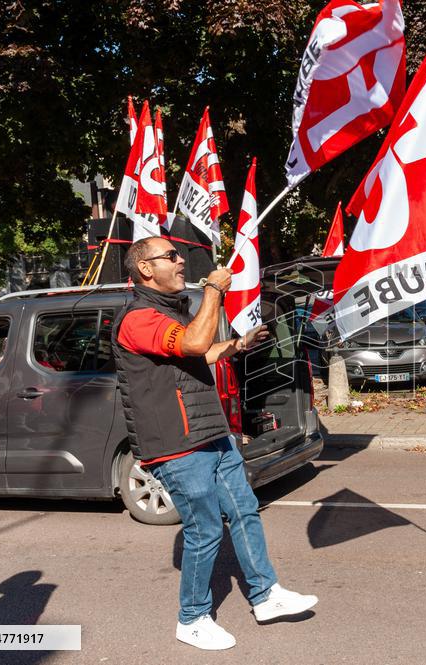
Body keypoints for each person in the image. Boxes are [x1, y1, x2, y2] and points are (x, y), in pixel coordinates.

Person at [112, 237, 317, 651]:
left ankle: (265, 595)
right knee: (204, 529)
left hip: (211, 432)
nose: (181, 261)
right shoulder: (137, 317)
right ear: (146, 269)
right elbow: (193, 343)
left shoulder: (168, 311)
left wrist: (237, 345)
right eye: (170, 256)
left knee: (245, 511)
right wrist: (214, 290)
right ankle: (192, 618)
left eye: (179, 253)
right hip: (177, 443)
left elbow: (196, 355)